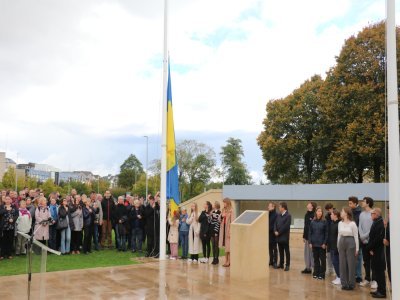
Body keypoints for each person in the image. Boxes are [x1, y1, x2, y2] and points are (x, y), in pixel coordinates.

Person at [338, 207, 359, 291]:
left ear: (346, 213)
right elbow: (339, 235)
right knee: (342, 263)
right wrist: (337, 245)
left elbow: (356, 236)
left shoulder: (353, 224)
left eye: (342, 211)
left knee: (351, 264)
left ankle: (351, 284)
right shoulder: (340, 223)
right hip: (341, 242)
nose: (341, 212)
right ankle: (344, 283)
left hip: (351, 242)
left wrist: (357, 248)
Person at [367, 208, 386, 298]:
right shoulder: (376, 222)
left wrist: (370, 247)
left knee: (380, 273)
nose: (371, 215)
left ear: (376, 214)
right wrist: (370, 248)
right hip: (374, 250)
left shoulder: (380, 223)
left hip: (378, 251)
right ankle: (379, 289)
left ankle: (382, 292)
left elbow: (378, 239)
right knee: (376, 272)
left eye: (372, 213)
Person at [358, 196, 376, 289]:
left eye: (363, 201)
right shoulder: (361, 214)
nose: (362, 202)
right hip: (363, 241)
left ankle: (374, 280)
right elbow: (360, 226)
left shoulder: (373, 213)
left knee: (373, 262)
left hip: (371, 241)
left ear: (368, 203)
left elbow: (372, 228)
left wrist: (364, 236)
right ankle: (367, 278)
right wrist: (362, 236)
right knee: (366, 262)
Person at [309, 206, 328, 280]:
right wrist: (310, 242)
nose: (319, 212)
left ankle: (322, 274)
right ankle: (316, 273)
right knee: (316, 259)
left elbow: (326, 233)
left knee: (322, 260)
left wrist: (324, 243)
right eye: (318, 211)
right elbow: (310, 233)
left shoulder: (324, 221)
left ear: (322, 213)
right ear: (316, 212)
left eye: (321, 211)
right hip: (314, 244)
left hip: (322, 245)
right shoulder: (312, 222)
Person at [348, 196, 363, 283]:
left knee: (358, 257)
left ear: (355, 203)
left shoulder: (360, 213)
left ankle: (358, 276)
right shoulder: (350, 212)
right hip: (350, 238)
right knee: (352, 257)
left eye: (350, 203)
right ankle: (352, 274)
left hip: (357, 238)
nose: (349, 205)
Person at [274, 202, 291, 271]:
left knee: (286, 251)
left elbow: (286, 226)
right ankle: (281, 264)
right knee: (280, 251)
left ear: (283, 208)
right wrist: (275, 230)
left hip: (284, 236)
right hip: (278, 236)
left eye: (279, 207)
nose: (279, 208)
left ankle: (287, 265)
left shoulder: (288, 215)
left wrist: (279, 232)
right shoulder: (278, 215)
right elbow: (275, 223)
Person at [219, 198, 235, 267]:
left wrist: (230, 231)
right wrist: (222, 216)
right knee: (226, 247)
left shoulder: (231, 210)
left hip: (228, 230)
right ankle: (226, 260)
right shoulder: (223, 210)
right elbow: (219, 219)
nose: (224, 204)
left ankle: (229, 261)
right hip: (223, 229)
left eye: (224, 203)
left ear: (228, 203)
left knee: (229, 247)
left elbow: (233, 221)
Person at [301, 201, 316, 274]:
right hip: (307, 237)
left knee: (312, 253)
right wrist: (304, 236)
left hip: (312, 238)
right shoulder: (306, 214)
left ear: (312, 206)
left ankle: (314, 268)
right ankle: (308, 268)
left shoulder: (314, 215)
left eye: (309, 204)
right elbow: (305, 226)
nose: (307, 205)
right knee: (306, 253)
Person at [328, 209, 341, 285]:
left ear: (335, 215)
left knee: (336, 262)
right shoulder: (332, 223)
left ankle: (340, 277)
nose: (330, 215)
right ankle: (338, 276)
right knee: (334, 262)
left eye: (331, 214)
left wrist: (337, 247)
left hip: (336, 247)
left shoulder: (339, 224)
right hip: (332, 246)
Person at [324, 203, 335, 277]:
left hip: (334, 238)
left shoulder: (336, 214)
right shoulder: (326, 216)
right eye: (327, 210)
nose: (329, 211)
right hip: (328, 238)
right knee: (328, 255)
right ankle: (329, 269)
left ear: (332, 208)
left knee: (334, 254)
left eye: (329, 209)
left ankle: (334, 270)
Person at [268, 202, 278, 268]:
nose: (268, 207)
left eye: (269, 206)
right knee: (270, 248)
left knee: (274, 248)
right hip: (268, 234)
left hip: (273, 234)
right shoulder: (268, 214)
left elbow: (275, 224)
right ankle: (271, 261)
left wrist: (273, 230)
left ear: (273, 207)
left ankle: (275, 262)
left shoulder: (276, 215)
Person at [383, 206, 390, 283]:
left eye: (389, 212)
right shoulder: (388, 223)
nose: (388, 214)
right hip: (388, 250)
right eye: (388, 212)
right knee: (389, 268)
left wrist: (389, 243)